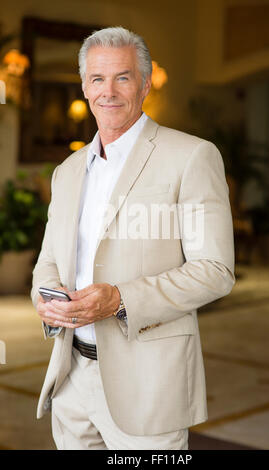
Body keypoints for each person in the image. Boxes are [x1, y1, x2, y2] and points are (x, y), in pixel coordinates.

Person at [31, 26, 235, 450]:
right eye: (98, 78)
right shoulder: (67, 171)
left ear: (144, 85)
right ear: (85, 86)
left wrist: (120, 299)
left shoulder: (191, 156)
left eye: (122, 77)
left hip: (148, 387)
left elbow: (215, 271)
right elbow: (49, 258)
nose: (109, 91)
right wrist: (43, 298)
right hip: (70, 381)